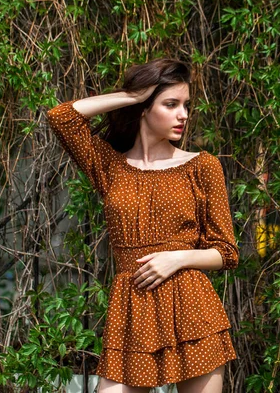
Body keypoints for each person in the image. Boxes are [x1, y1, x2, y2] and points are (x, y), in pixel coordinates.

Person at [47, 58, 239, 393]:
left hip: (192, 308)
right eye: (170, 104)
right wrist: (132, 95)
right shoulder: (111, 167)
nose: (183, 114)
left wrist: (177, 258)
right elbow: (62, 117)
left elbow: (226, 252)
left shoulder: (202, 166)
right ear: (144, 108)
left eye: (186, 105)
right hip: (132, 311)